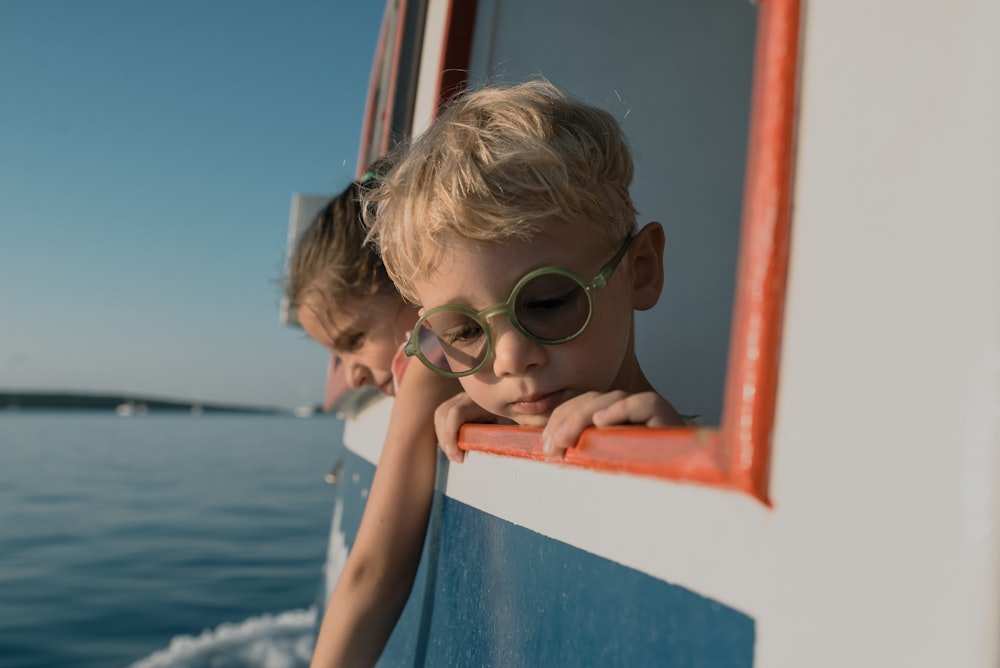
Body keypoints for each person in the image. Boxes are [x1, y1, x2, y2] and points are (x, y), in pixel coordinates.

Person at [365, 80, 687, 464]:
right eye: (465, 331)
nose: (510, 360)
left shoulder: (682, 446)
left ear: (641, 270)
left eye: (548, 303)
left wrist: (673, 456)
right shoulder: (473, 431)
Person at [285, 164, 460, 667]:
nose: (353, 376)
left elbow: (374, 573)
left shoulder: (431, 347)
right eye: (337, 358)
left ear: (412, 280)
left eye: (355, 341)